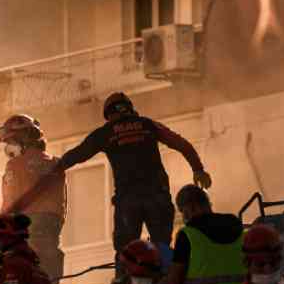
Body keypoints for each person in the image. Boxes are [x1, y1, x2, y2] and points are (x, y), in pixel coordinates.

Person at [55, 92, 213, 269]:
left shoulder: (105, 133)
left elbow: (78, 154)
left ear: (108, 115)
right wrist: (198, 170)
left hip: (128, 202)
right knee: (162, 248)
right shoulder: (148, 125)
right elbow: (182, 144)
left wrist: (54, 170)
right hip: (157, 197)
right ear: (130, 108)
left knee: (126, 253)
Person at [0, 114, 67, 284]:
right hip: (52, 224)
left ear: (23, 139)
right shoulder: (56, 163)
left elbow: (9, 202)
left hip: (27, 224)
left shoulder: (15, 165)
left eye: (10, 142)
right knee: (49, 268)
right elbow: (63, 203)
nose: (8, 148)